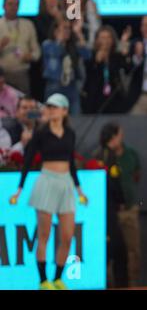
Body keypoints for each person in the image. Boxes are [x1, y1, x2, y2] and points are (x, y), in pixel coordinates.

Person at [9, 93, 88, 290]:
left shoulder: (70, 133)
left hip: (66, 184)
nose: (52, 110)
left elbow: (70, 162)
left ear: (64, 110)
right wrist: (19, 189)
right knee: (44, 234)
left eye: (55, 107)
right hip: (46, 182)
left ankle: (58, 278)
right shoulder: (41, 133)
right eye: (49, 107)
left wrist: (79, 190)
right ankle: (44, 281)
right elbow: (27, 161)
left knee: (68, 235)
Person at [95, 122, 141, 287]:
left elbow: (136, 174)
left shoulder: (129, 154)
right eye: (119, 134)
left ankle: (131, 284)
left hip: (128, 209)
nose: (121, 137)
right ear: (113, 137)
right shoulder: (100, 156)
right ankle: (110, 284)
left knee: (131, 250)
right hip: (108, 214)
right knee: (110, 250)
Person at [42, 19, 91, 114]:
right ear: (55, 31)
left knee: (75, 114)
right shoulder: (48, 44)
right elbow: (55, 52)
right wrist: (59, 40)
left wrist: (79, 34)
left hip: (71, 86)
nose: (67, 31)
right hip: (55, 84)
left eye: (69, 28)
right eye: (64, 28)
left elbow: (87, 55)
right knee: (53, 114)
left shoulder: (73, 46)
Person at [82, 25, 132, 114]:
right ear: (97, 40)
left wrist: (125, 54)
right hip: (95, 99)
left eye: (108, 37)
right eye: (102, 38)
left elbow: (128, 69)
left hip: (114, 98)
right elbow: (88, 75)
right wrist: (97, 62)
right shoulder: (91, 56)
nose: (105, 41)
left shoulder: (116, 56)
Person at [0, 0, 41, 95]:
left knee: (24, 105)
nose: (13, 7)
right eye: (10, 4)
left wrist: (31, 56)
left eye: (16, 4)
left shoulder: (28, 25)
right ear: (3, 6)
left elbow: (37, 51)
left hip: (22, 74)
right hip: (3, 73)